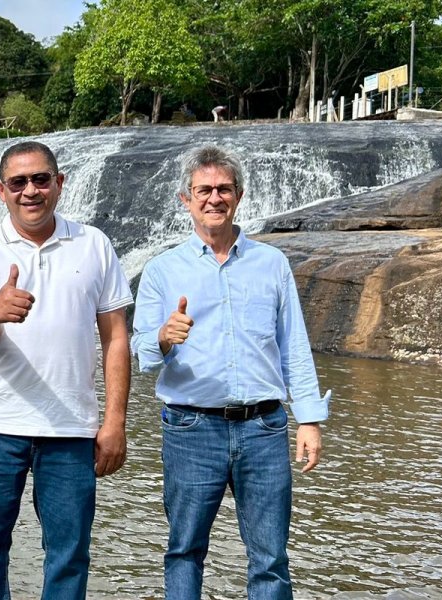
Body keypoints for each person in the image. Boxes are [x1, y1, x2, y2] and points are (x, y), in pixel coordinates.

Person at [130, 145, 329, 600]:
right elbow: (143, 353)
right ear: (186, 199)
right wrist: (164, 336)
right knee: (184, 550)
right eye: (203, 190)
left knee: (271, 557)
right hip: (190, 427)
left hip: (264, 427)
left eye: (223, 189)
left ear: (238, 195)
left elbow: (294, 345)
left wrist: (310, 420)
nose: (214, 198)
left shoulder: (272, 263)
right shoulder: (162, 270)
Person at [0, 141, 133, 599]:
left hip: (72, 428)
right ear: (1, 190)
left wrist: (114, 421)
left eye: (41, 179)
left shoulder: (94, 244)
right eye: (18, 182)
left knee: (69, 552)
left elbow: (116, 338)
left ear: (59, 183)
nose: (30, 191)